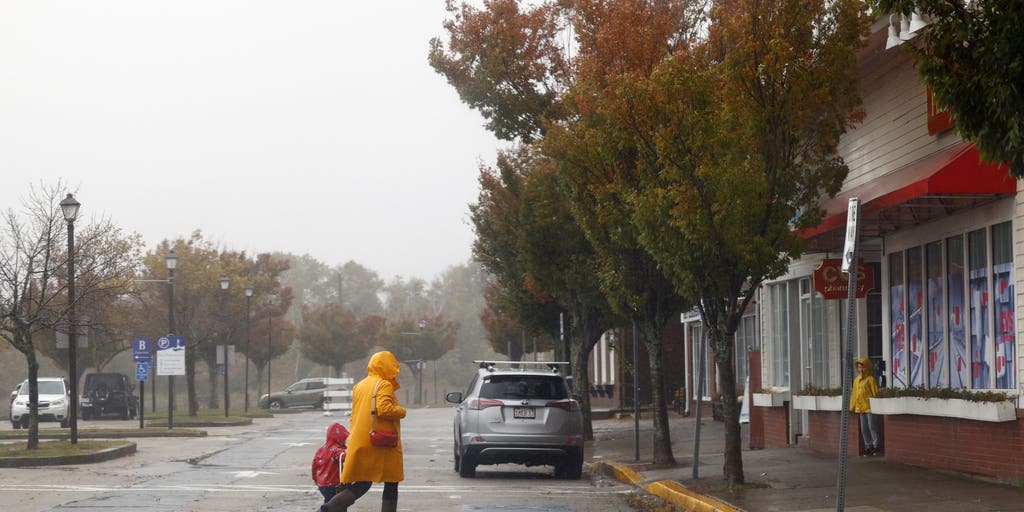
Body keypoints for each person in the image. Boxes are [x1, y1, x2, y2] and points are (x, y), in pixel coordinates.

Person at [323, 351, 407, 512]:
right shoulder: (384, 384)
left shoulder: (359, 385)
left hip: (360, 439)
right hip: (382, 442)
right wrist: (401, 411)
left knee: (363, 481)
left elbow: (355, 414)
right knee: (391, 481)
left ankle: (332, 506)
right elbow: (384, 409)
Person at [311, 422, 348, 512]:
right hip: (333, 483)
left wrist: (315, 478)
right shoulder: (337, 449)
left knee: (329, 501)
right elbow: (345, 457)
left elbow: (314, 465)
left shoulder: (322, 449)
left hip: (322, 484)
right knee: (334, 505)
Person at [850, 357, 882, 455]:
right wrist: (852, 406)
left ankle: (876, 446)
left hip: (870, 407)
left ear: (867, 368)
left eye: (863, 367)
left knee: (872, 426)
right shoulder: (856, 380)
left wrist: (876, 405)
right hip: (861, 408)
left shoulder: (871, 379)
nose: (861, 369)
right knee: (864, 428)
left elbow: (875, 393)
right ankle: (868, 446)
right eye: (859, 367)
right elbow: (854, 394)